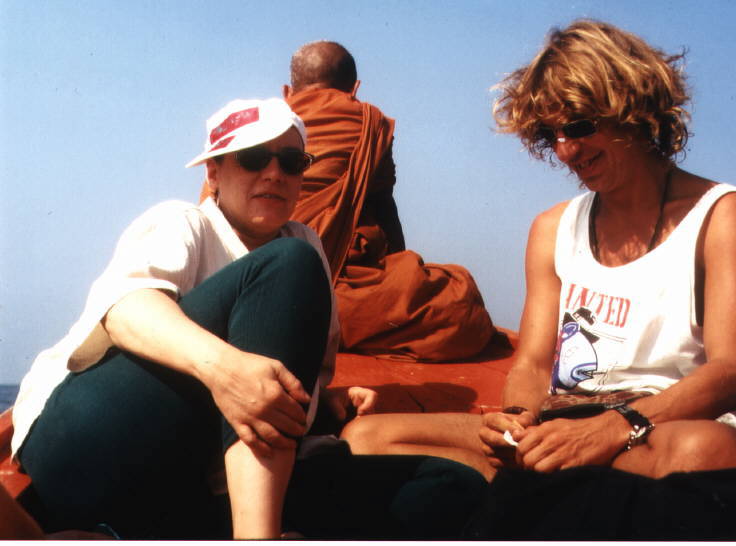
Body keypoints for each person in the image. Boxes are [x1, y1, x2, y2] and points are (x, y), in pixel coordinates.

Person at [10, 97, 488, 540]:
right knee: (287, 266)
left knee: (450, 486)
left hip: (189, 479)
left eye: (291, 162)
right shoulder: (185, 223)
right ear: (214, 172)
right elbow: (127, 310)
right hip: (88, 447)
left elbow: (275, 377)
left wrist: (323, 404)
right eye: (254, 158)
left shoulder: (306, 242)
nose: (274, 174)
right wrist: (227, 372)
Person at [342, 19, 736, 484]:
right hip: (563, 427)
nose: (566, 151)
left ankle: (539, 483)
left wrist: (611, 429)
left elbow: (735, 372)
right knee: (365, 437)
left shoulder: (721, 212)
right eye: (551, 135)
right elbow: (532, 364)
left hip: (660, 427)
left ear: (632, 108)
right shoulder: (553, 228)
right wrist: (516, 421)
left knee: (708, 450)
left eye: (579, 126)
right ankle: (545, 475)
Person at [202, 41, 496, 361]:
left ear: (287, 92)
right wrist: (400, 272)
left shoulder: (249, 130)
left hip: (232, 277)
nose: (274, 174)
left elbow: (212, 207)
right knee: (459, 302)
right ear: (355, 88)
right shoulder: (367, 121)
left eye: (293, 164)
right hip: (322, 286)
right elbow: (385, 208)